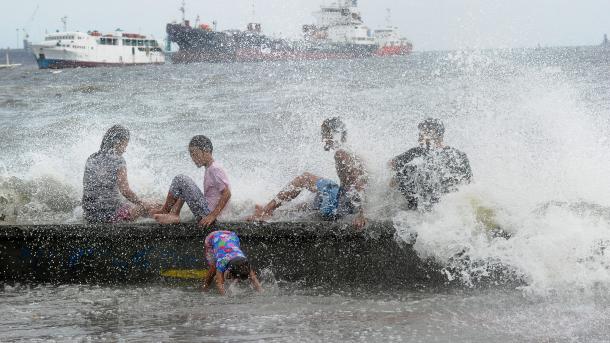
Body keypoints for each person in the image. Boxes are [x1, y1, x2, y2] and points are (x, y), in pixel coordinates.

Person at [247, 117, 368, 230]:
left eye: (325, 134)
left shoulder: (341, 154)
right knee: (308, 205)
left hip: (343, 205)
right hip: (343, 202)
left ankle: (266, 211)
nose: (323, 139)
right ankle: (272, 212)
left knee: (304, 179)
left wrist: (362, 215)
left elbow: (360, 184)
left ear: (334, 134)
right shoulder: (350, 151)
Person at [389, 118, 472, 211]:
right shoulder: (459, 155)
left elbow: (391, 165)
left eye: (423, 133)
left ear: (436, 134)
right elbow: (469, 184)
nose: (419, 137)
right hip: (448, 211)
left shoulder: (418, 152)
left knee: (406, 171)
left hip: (418, 211)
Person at [153, 135, 231, 228]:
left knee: (180, 179)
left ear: (206, 151)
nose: (193, 159)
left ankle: (165, 211)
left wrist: (212, 216)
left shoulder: (215, 169)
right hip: (206, 210)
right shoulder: (210, 168)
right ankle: (174, 214)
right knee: (184, 186)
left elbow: (227, 193)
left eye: (195, 154)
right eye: (191, 156)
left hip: (207, 213)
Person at [82, 125, 156, 223]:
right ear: (117, 143)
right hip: (111, 217)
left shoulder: (91, 158)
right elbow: (125, 190)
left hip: (89, 215)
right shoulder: (118, 160)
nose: (125, 150)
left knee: (134, 203)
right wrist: (141, 203)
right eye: (125, 145)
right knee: (150, 205)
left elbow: (86, 186)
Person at [203, 230, 263, 295]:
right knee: (213, 268)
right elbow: (219, 283)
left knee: (238, 271)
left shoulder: (244, 262)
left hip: (231, 236)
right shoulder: (221, 262)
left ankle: (225, 275)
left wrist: (261, 291)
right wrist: (225, 297)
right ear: (229, 270)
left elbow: (253, 278)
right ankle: (205, 287)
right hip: (213, 237)